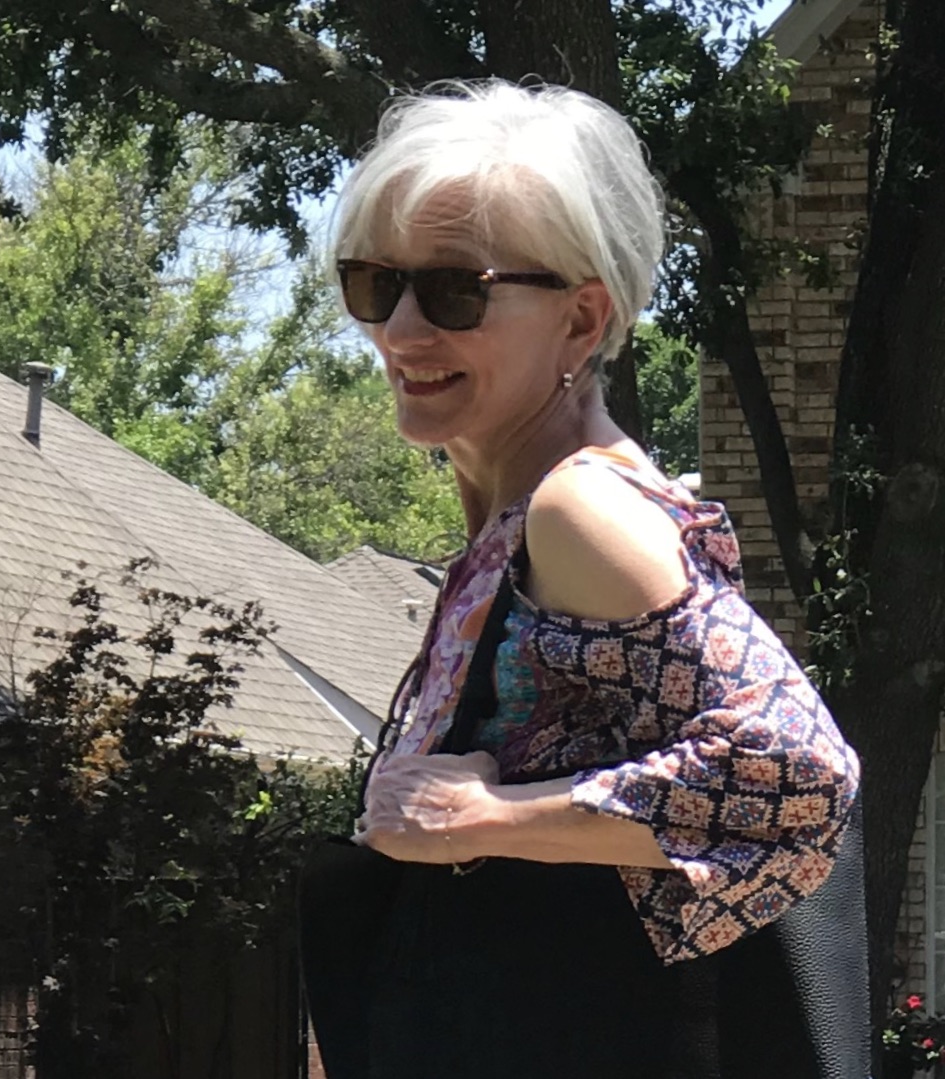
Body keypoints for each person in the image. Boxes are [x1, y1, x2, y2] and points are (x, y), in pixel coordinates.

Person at [310, 79, 861, 1077]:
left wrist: (490, 819)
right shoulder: (514, 524)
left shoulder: (581, 512)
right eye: (372, 284)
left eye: (452, 291)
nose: (398, 331)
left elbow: (800, 777)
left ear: (581, 317)